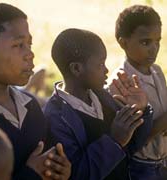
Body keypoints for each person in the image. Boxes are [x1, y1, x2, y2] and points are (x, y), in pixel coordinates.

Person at [43, 28, 153, 180]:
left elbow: (132, 145)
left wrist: (141, 110)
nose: (107, 70)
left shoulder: (103, 98)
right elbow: (76, 174)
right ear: (76, 68)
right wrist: (114, 141)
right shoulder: (56, 118)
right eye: (101, 64)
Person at [0, 3, 71, 180]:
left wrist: (62, 170)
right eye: (18, 45)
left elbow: (51, 157)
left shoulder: (31, 106)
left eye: (29, 44)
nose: (30, 54)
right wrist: (30, 175)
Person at [107, 4, 167, 180]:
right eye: (145, 42)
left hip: (162, 160)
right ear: (123, 43)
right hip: (141, 167)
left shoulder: (156, 71)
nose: (154, 48)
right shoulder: (121, 83)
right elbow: (133, 140)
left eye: (158, 41)